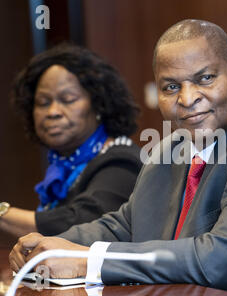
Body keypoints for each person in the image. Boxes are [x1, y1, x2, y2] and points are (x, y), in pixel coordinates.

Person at [9, 20, 227, 296]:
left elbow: (217, 261)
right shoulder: (173, 147)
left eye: (205, 78)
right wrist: (48, 250)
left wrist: (87, 262)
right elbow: (127, 224)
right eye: (171, 87)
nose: (188, 98)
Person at [0, 44, 142, 238]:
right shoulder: (63, 166)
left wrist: (3, 215)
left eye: (68, 99)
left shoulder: (121, 161)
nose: (53, 112)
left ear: (99, 104)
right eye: (43, 102)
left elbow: (81, 224)